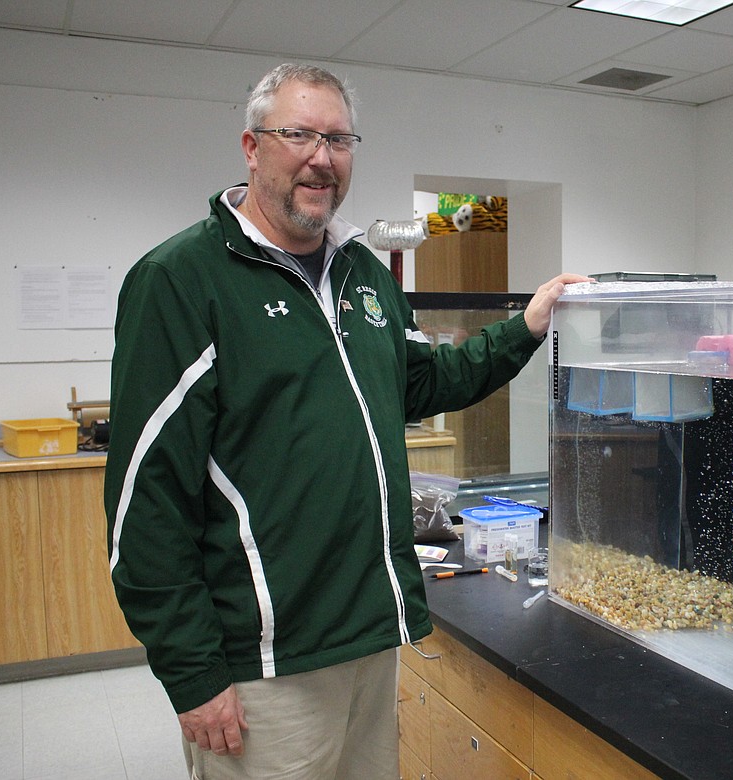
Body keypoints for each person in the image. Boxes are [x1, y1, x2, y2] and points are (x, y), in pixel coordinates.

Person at [104, 62, 588, 779]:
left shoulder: (364, 274)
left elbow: (425, 381)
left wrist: (525, 325)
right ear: (251, 145)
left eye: (339, 139)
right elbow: (145, 505)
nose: (320, 157)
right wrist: (193, 674)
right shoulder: (182, 279)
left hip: (370, 637)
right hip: (267, 663)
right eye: (298, 134)